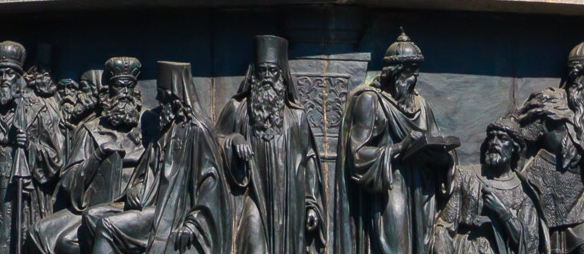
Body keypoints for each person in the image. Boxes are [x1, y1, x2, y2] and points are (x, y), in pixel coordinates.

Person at [82, 62, 231, 254]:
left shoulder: (196, 129)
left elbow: (211, 183)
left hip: (173, 210)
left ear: (175, 97)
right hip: (148, 201)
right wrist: (136, 188)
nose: (158, 99)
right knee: (92, 216)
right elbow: (147, 170)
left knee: (107, 227)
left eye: (162, 94)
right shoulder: (164, 127)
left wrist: (193, 223)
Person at [334, 33, 458, 254]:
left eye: (417, 70)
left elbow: (437, 141)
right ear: (395, 72)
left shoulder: (421, 105)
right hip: (390, 187)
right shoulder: (371, 101)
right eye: (411, 70)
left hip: (421, 189)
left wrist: (443, 158)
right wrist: (399, 148)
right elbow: (357, 155)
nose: (415, 77)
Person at [508, 42, 584, 254]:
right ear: (575, 74)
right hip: (542, 194)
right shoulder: (549, 103)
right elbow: (517, 138)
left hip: (583, 203)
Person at [216, 37, 324, 254]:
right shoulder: (237, 109)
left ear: (282, 76)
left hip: (288, 201)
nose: (266, 77)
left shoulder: (297, 117)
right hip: (251, 195)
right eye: (262, 71)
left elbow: (310, 159)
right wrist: (234, 140)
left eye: (272, 71)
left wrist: (311, 204)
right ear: (253, 74)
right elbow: (212, 142)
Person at [32, 60, 147, 254]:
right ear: (107, 93)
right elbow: (68, 180)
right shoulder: (91, 130)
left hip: (129, 205)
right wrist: (97, 156)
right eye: (119, 86)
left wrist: (141, 188)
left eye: (129, 86)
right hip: (91, 203)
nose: (125, 93)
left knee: (66, 243)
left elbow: (161, 168)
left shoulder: (148, 129)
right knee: (41, 231)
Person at [0, 41, 65, 254]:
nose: (3, 80)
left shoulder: (37, 111)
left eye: (9, 74)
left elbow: (54, 160)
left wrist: (29, 146)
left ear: (19, 77)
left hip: (26, 199)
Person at [432, 124, 538, 254]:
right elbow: (445, 225)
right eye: (491, 137)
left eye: (502, 138)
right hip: (466, 249)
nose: (494, 143)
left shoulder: (523, 191)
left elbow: (529, 243)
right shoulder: (466, 176)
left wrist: (502, 212)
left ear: (514, 148)